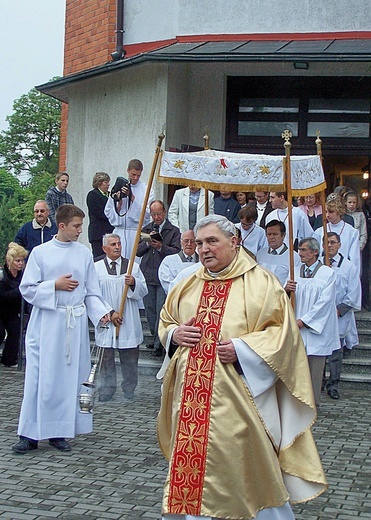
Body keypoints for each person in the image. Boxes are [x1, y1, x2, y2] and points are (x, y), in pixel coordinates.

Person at [157, 215, 327, 520]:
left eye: (212, 241)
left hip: (239, 399)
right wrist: (174, 334)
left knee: (244, 468)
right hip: (190, 404)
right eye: (199, 243)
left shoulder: (261, 283)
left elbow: (283, 335)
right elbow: (166, 321)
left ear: (234, 242)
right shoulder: (186, 283)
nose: (204, 250)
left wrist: (243, 348)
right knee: (192, 472)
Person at [12, 204, 111, 454]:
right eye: (76, 226)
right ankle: (30, 435)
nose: (80, 230)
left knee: (68, 380)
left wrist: (103, 313)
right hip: (47, 323)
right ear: (62, 226)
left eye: (81, 226)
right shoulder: (41, 253)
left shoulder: (84, 253)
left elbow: (91, 291)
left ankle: (59, 431)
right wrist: (54, 285)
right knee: (39, 379)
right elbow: (28, 288)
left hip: (73, 325)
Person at [285, 238, 339, 408]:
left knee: (314, 371)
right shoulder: (294, 272)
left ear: (315, 252)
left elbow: (324, 303)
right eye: (299, 250)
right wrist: (286, 290)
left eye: (303, 250)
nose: (300, 253)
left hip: (315, 329)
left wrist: (304, 321)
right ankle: (296, 403)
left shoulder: (328, 274)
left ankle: (312, 405)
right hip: (297, 327)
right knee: (296, 368)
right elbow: (283, 299)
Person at [94, 234, 148, 401]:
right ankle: (106, 390)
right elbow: (93, 294)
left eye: (118, 244)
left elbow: (143, 290)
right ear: (104, 248)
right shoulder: (96, 268)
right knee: (106, 358)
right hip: (106, 318)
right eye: (113, 244)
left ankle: (129, 389)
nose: (117, 247)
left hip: (128, 318)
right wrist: (110, 313)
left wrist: (133, 283)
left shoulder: (132, 266)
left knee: (130, 357)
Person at [137, 200, 181, 356]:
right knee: (149, 310)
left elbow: (177, 251)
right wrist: (149, 244)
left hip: (164, 276)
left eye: (158, 213)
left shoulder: (173, 230)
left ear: (164, 212)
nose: (156, 217)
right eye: (153, 214)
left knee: (161, 308)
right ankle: (156, 337)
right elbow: (137, 251)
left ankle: (159, 343)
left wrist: (161, 247)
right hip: (147, 274)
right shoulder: (146, 229)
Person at [323, 233, 361, 400]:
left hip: (338, 315)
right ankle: (319, 381)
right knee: (319, 352)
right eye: (326, 242)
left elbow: (353, 294)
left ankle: (333, 384)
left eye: (333, 243)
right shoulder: (318, 264)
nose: (329, 246)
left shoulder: (349, 267)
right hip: (321, 316)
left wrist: (337, 311)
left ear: (339, 245)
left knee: (335, 353)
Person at [104, 159, 154, 259]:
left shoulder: (146, 190)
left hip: (136, 233)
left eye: (138, 175)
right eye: (133, 174)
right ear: (128, 171)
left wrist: (132, 198)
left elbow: (147, 213)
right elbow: (108, 211)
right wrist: (118, 204)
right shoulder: (118, 187)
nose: (135, 178)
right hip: (119, 231)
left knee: (135, 263)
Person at [313, 197, 361, 274]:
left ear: (339, 212)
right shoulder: (319, 231)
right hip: (323, 270)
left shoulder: (351, 232)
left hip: (344, 271)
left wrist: (355, 274)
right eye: (326, 212)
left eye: (331, 212)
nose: (327, 215)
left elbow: (354, 257)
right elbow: (315, 254)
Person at [0, 243, 28, 367]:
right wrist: (19, 291)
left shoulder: (22, 275)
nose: (20, 263)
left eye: (22, 260)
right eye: (17, 261)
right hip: (1, 309)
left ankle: (9, 360)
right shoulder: (2, 275)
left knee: (16, 331)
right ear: (10, 261)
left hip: (10, 311)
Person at [257, 220, 301, 286]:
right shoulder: (260, 254)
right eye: (269, 234)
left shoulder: (293, 257)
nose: (271, 237)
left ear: (283, 235)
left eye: (275, 234)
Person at [158, 230, 198, 294]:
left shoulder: (203, 262)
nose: (189, 244)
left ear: (197, 243)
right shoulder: (169, 261)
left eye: (192, 241)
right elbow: (168, 285)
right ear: (181, 242)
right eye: (186, 241)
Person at [86, 172, 114, 259]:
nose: (108, 184)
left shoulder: (110, 195)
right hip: (98, 233)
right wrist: (113, 216)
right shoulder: (93, 195)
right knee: (99, 258)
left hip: (110, 232)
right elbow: (100, 213)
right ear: (99, 183)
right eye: (106, 182)